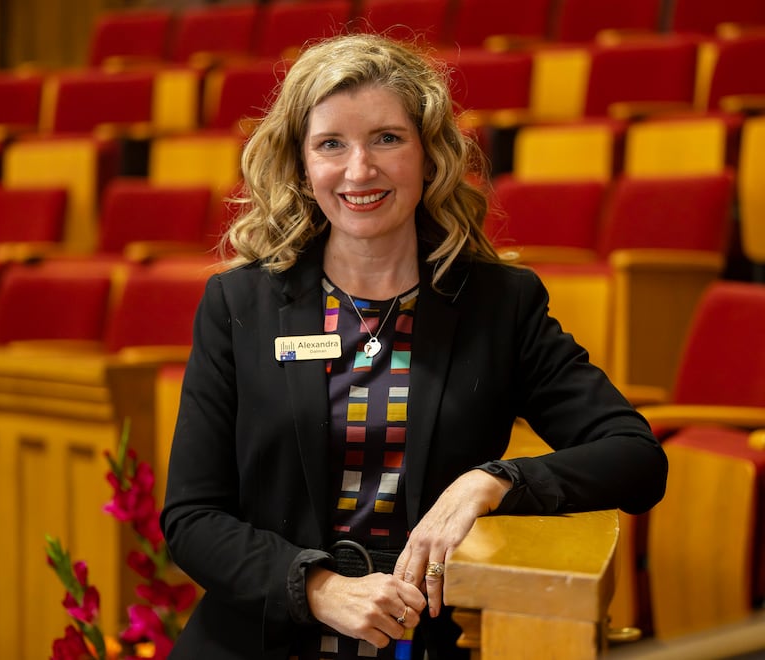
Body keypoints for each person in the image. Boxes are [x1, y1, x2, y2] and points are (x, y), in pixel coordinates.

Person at [161, 32, 668, 660]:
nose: (359, 170)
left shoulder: (498, 305)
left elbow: (636, 457)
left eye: (387, 138)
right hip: (263, 639)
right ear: (301, 164)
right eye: (331, 145)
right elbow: (192, 519)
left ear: (430, 155)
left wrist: (495, 481)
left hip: (426, 641)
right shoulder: (240, 307)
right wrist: (317, 588)